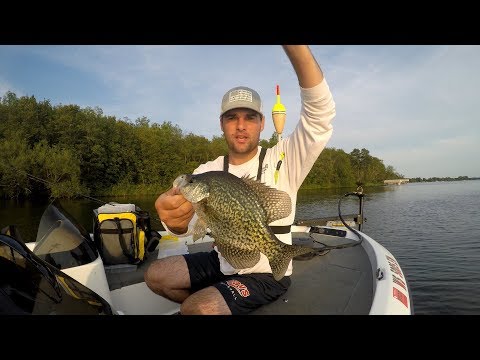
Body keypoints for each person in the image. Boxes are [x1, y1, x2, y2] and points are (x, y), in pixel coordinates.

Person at [144, 45, 336, 315]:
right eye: (232, 118)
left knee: (197, 308)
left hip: (265, 273)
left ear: (262, 124)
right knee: (155, 275)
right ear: (222, 124)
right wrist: (172, 220)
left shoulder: (285, 159)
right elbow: (185, 227)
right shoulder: (208, 170)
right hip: (222, 260)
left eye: (250, 117)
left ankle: (217, 302)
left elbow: (320, 116)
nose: (241, 125)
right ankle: (225, 301)